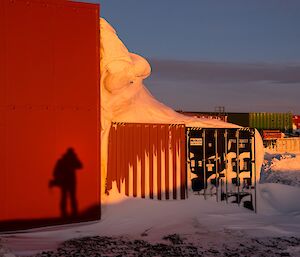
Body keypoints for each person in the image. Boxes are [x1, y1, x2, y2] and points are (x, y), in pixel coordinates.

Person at [49, 148, 83, 218]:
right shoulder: (62, 161)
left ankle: (73, 214)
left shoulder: (64, 160)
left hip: (70, 182)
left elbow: (80, 165)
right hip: (66, 182)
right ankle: (65, 214)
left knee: (70, 197)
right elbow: (55, 172)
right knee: (66, 197)